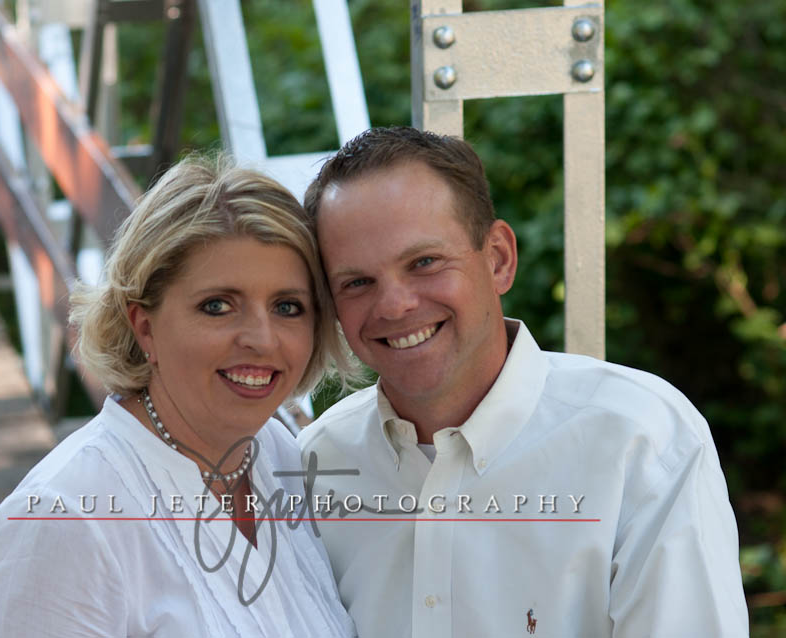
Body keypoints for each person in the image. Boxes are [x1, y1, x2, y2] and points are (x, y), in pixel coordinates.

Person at [298, 127, 748, 637]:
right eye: (357, 282)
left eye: (424, 262)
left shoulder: (640, 439)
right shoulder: (314, 465)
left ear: (498, 260)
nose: (395, 305)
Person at [0, 155, 356, 637]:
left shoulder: (278, 453)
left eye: (287, 307)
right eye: (217, 306)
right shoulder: (61, 520)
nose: (262, 338)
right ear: (145, 326)